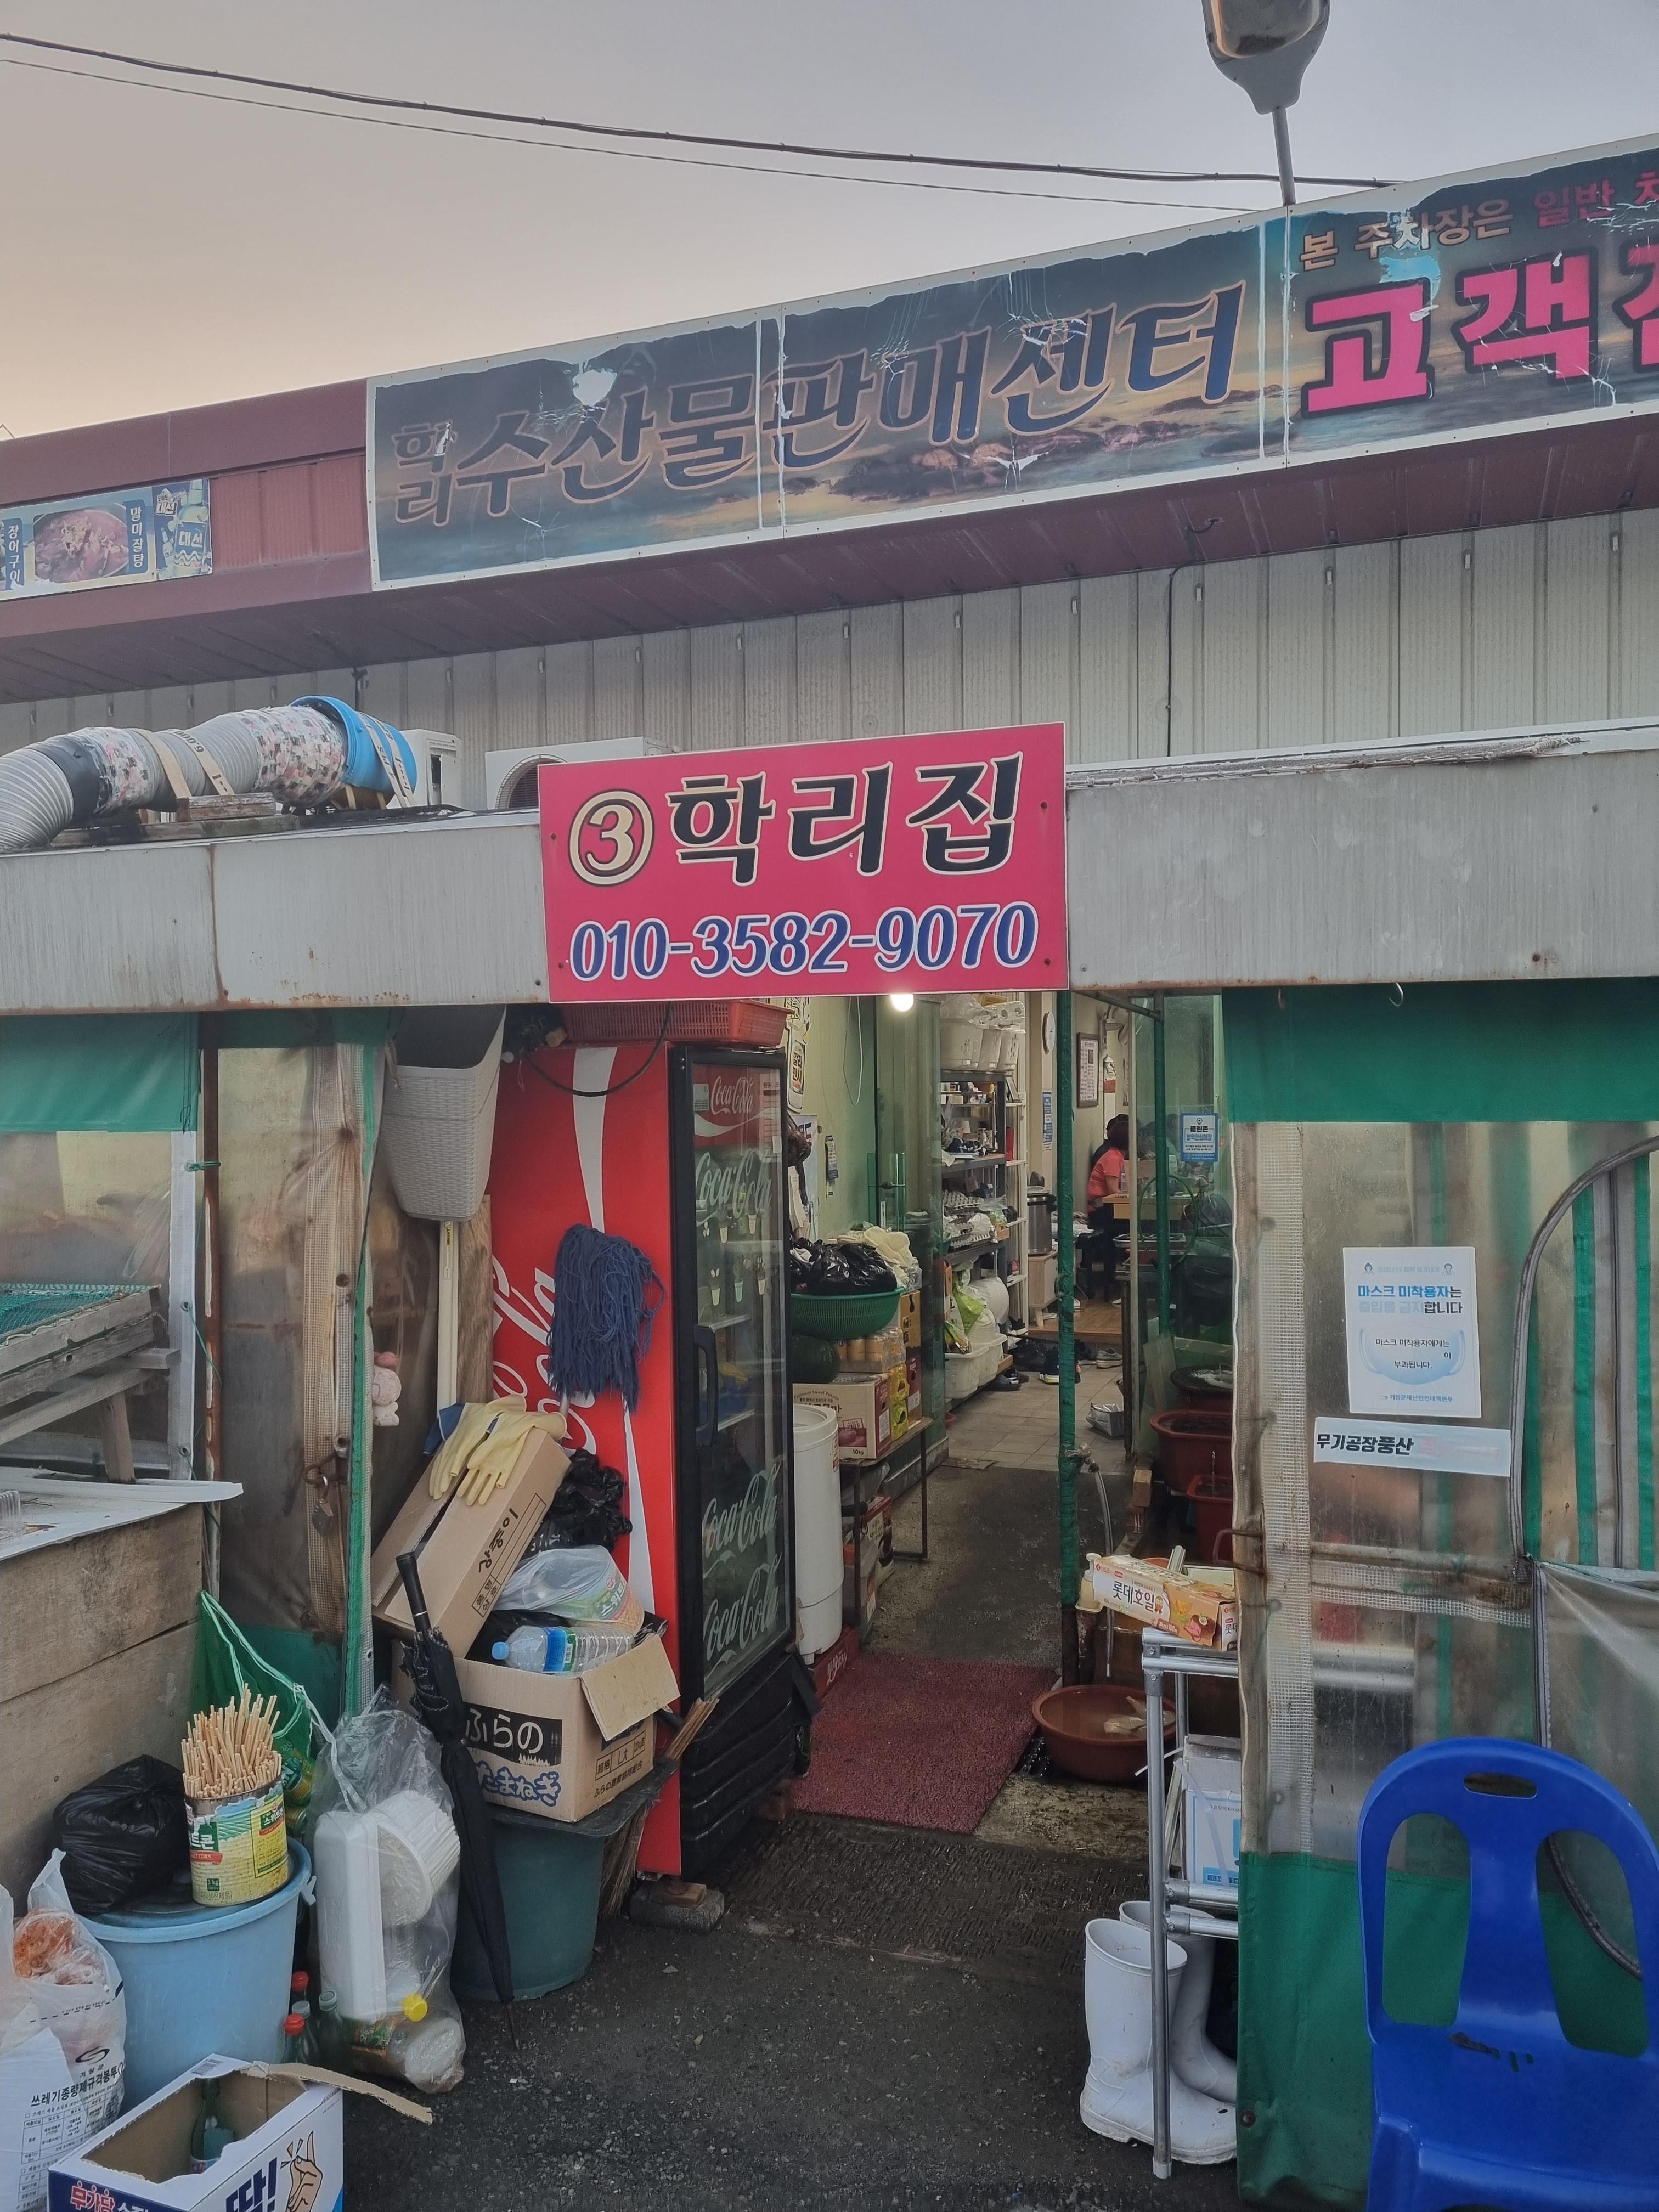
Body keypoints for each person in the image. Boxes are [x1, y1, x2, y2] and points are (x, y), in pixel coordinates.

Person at [1086, 1115, 1130, 1220]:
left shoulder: (1119, 1156)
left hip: (1108, 1207)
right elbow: (1113, 1191)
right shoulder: (1112, 1158)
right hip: (1100, 1210)